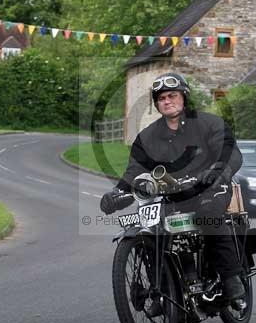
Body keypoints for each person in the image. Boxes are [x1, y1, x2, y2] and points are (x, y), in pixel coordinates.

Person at [99, 72, 245, 300]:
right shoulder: (147, 136)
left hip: (209, 187)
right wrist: (118, 193)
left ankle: (230, 277)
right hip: (170, 194)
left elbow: (230, 153)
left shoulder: (209, 123)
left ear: (184, 97)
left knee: (208, 215)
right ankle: (163, 290)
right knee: (151, 226)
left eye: (172, 95)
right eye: (161, 98)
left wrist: (218, 172)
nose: (166, 101)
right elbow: (134, 170)